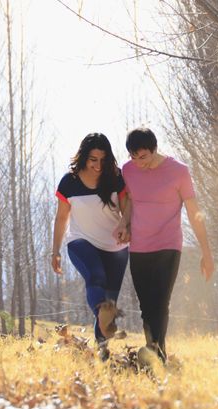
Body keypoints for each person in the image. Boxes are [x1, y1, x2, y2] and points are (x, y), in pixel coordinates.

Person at [115, 127, 214, 368]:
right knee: (146, 306)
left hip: (168, 245)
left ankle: (155, 356)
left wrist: (206, 252)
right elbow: (129, 202)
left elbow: (193, 212)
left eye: (144, 156)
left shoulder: (179, 171)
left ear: (154, 149)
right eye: (134, 157)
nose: (139, 163)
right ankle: (156, 351)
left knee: (160, 302)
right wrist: (124, 223)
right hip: (139, 246)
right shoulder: (128, 171)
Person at [52, 133, 129, 361]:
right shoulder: (69, 182)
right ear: (84, 157)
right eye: (93, 159)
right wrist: (55, 250)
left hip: (115, 248)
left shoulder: (115, 178)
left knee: (110, 301)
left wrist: (125, 225)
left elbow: (128, 208)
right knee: (95, 277)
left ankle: (103, 354)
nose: (97, 165)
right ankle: (104, 316)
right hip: (80, 241)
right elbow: (61, 218)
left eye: (103, 160)